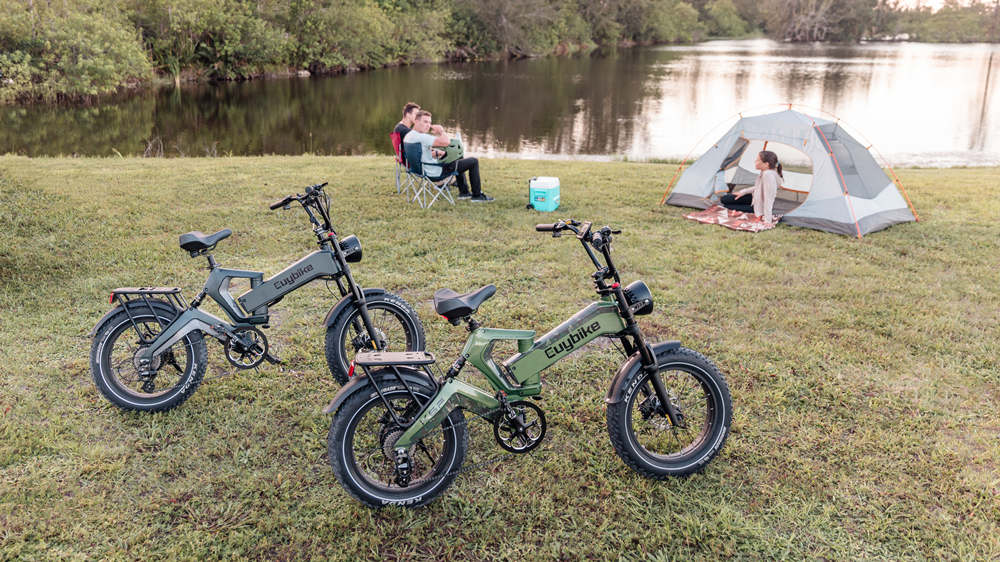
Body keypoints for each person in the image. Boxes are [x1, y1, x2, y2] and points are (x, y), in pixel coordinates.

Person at [403, 110, 493, 202]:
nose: (428, 125)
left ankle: (464, 193)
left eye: (429, 122)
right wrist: (441, 131)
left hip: (422, 170)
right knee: (473, 161)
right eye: (425, 122)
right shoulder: (422, 137)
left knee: (457, 158)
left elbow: (419, 153)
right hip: (435, 172)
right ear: (416, 121)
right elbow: (446, 142)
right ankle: (477, 195)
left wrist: (435, 153)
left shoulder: (409, 136)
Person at [720, 150, 782, 223]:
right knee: (725, 199)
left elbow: (768, 199)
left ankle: (750, 208)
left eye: (757, 160)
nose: (755, 161)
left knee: (727, 207)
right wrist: (743, 192)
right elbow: (758, 187)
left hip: (757, 206)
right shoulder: (765, 171)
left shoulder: (768, 175)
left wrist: (767, 219)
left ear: (766, 164)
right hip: (754, 197)